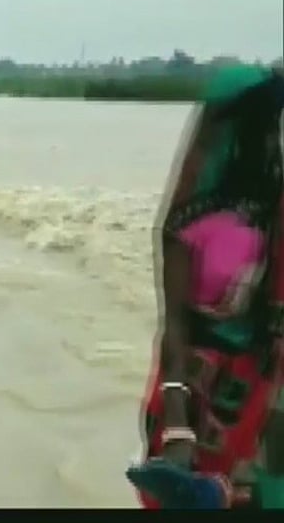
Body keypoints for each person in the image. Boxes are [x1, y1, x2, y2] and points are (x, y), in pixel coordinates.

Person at [127, 66, 284, 509]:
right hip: (194, 387)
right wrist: (178, 426)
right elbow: (173, 326)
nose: (272, 143)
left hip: (260, 384)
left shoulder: (272, 207)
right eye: (262, 132)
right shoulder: (187, 223)